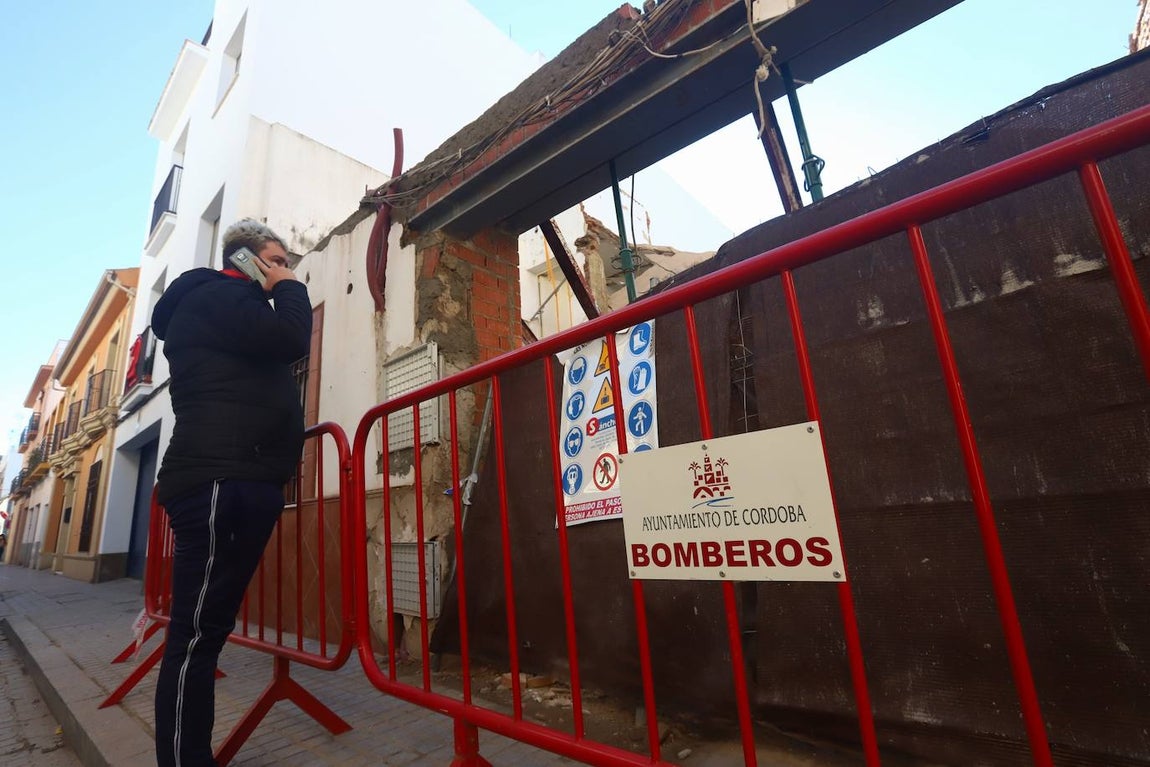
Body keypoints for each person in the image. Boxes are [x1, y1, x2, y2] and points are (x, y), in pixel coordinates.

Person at [151, 219, 311, 767]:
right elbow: (291, 340)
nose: (284, 268)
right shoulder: (216, 296)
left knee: (205, 634)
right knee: (195, 640)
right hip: (221, 480)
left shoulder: (233, 308)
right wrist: (290, 287)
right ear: (246, 260)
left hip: (243, 478)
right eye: (276, 259)